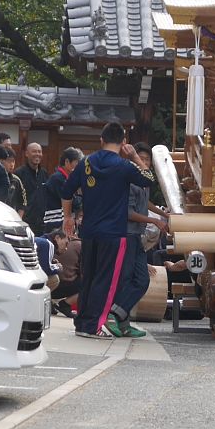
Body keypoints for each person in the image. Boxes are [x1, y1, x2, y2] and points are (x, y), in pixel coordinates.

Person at [61, 122, 155, 339]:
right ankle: (94, 325)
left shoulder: (85, 162)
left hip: (89, 231)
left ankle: (83, 323)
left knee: (89, 278)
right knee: (107, 281)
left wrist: (68, 217)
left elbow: (67, 191)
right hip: (113, 233)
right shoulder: (124, 166)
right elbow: (148, 179)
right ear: (123, 143)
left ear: (101, 140)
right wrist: (135, 157)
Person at [111, 142, 170, 338]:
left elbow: (146, 203)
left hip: (137, 236)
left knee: (142, 280)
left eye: (147, 160)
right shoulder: (129, 180)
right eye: (140, 158)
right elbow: (128, 212)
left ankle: (118, 315)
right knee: (126, 278)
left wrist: (163, 214)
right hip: (126, 234)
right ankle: (118, 320)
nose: (144, 162)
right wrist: (154, 220)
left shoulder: (143, 182)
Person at [27, 147, 83, 235]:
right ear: (67, 162)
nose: (79, 167)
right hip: (54, 223)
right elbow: (74, 202)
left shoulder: (66, 178)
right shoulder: (58, 179)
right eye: (77, 163)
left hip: (61, 222)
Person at [0, 145, 27, 218]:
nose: (12, 164)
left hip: (10, 218)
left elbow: (23, 203)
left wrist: (19, 218)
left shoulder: (16, 180)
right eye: (9, 161)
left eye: (13, 161)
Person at [52, 233, 82, 318]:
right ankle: (65, 304)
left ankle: (51, 303)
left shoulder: (52, 241)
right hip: (62, 284)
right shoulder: (80, 245)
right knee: (90, 285)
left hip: (49, 285)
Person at [15, 142, 48, 206]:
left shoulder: (44, 173)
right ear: (27, 154)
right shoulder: (19, 173)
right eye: (34, 151)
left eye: (39, 152)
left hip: (42, 214)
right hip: (24, 215)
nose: (37, 154)